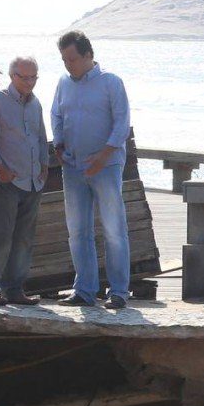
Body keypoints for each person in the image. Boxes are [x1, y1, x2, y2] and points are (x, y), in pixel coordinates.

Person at [51, 31, 132, 309]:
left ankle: (119, 291)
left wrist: (104, 154)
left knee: (113, 229)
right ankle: (84, 290)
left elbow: (122, 123)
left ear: (88, 55)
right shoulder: (63, 83)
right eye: (63, 59)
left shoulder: (111, 82)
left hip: (106, 166)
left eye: (72, 59)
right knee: (77, 231)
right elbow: (56, 115)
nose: (68, 65)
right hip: (73, 167)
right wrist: (58, 144)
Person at [0, 56, 49, 306]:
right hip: (7, 181)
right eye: (24, 77)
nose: (30, 82)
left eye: (33, 77)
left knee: (24, 238)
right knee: (1, 237)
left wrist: (45, 164)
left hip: (33, 182)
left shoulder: (35, 103)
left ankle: (15, 289)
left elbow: (41, 136)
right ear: (12, 76)